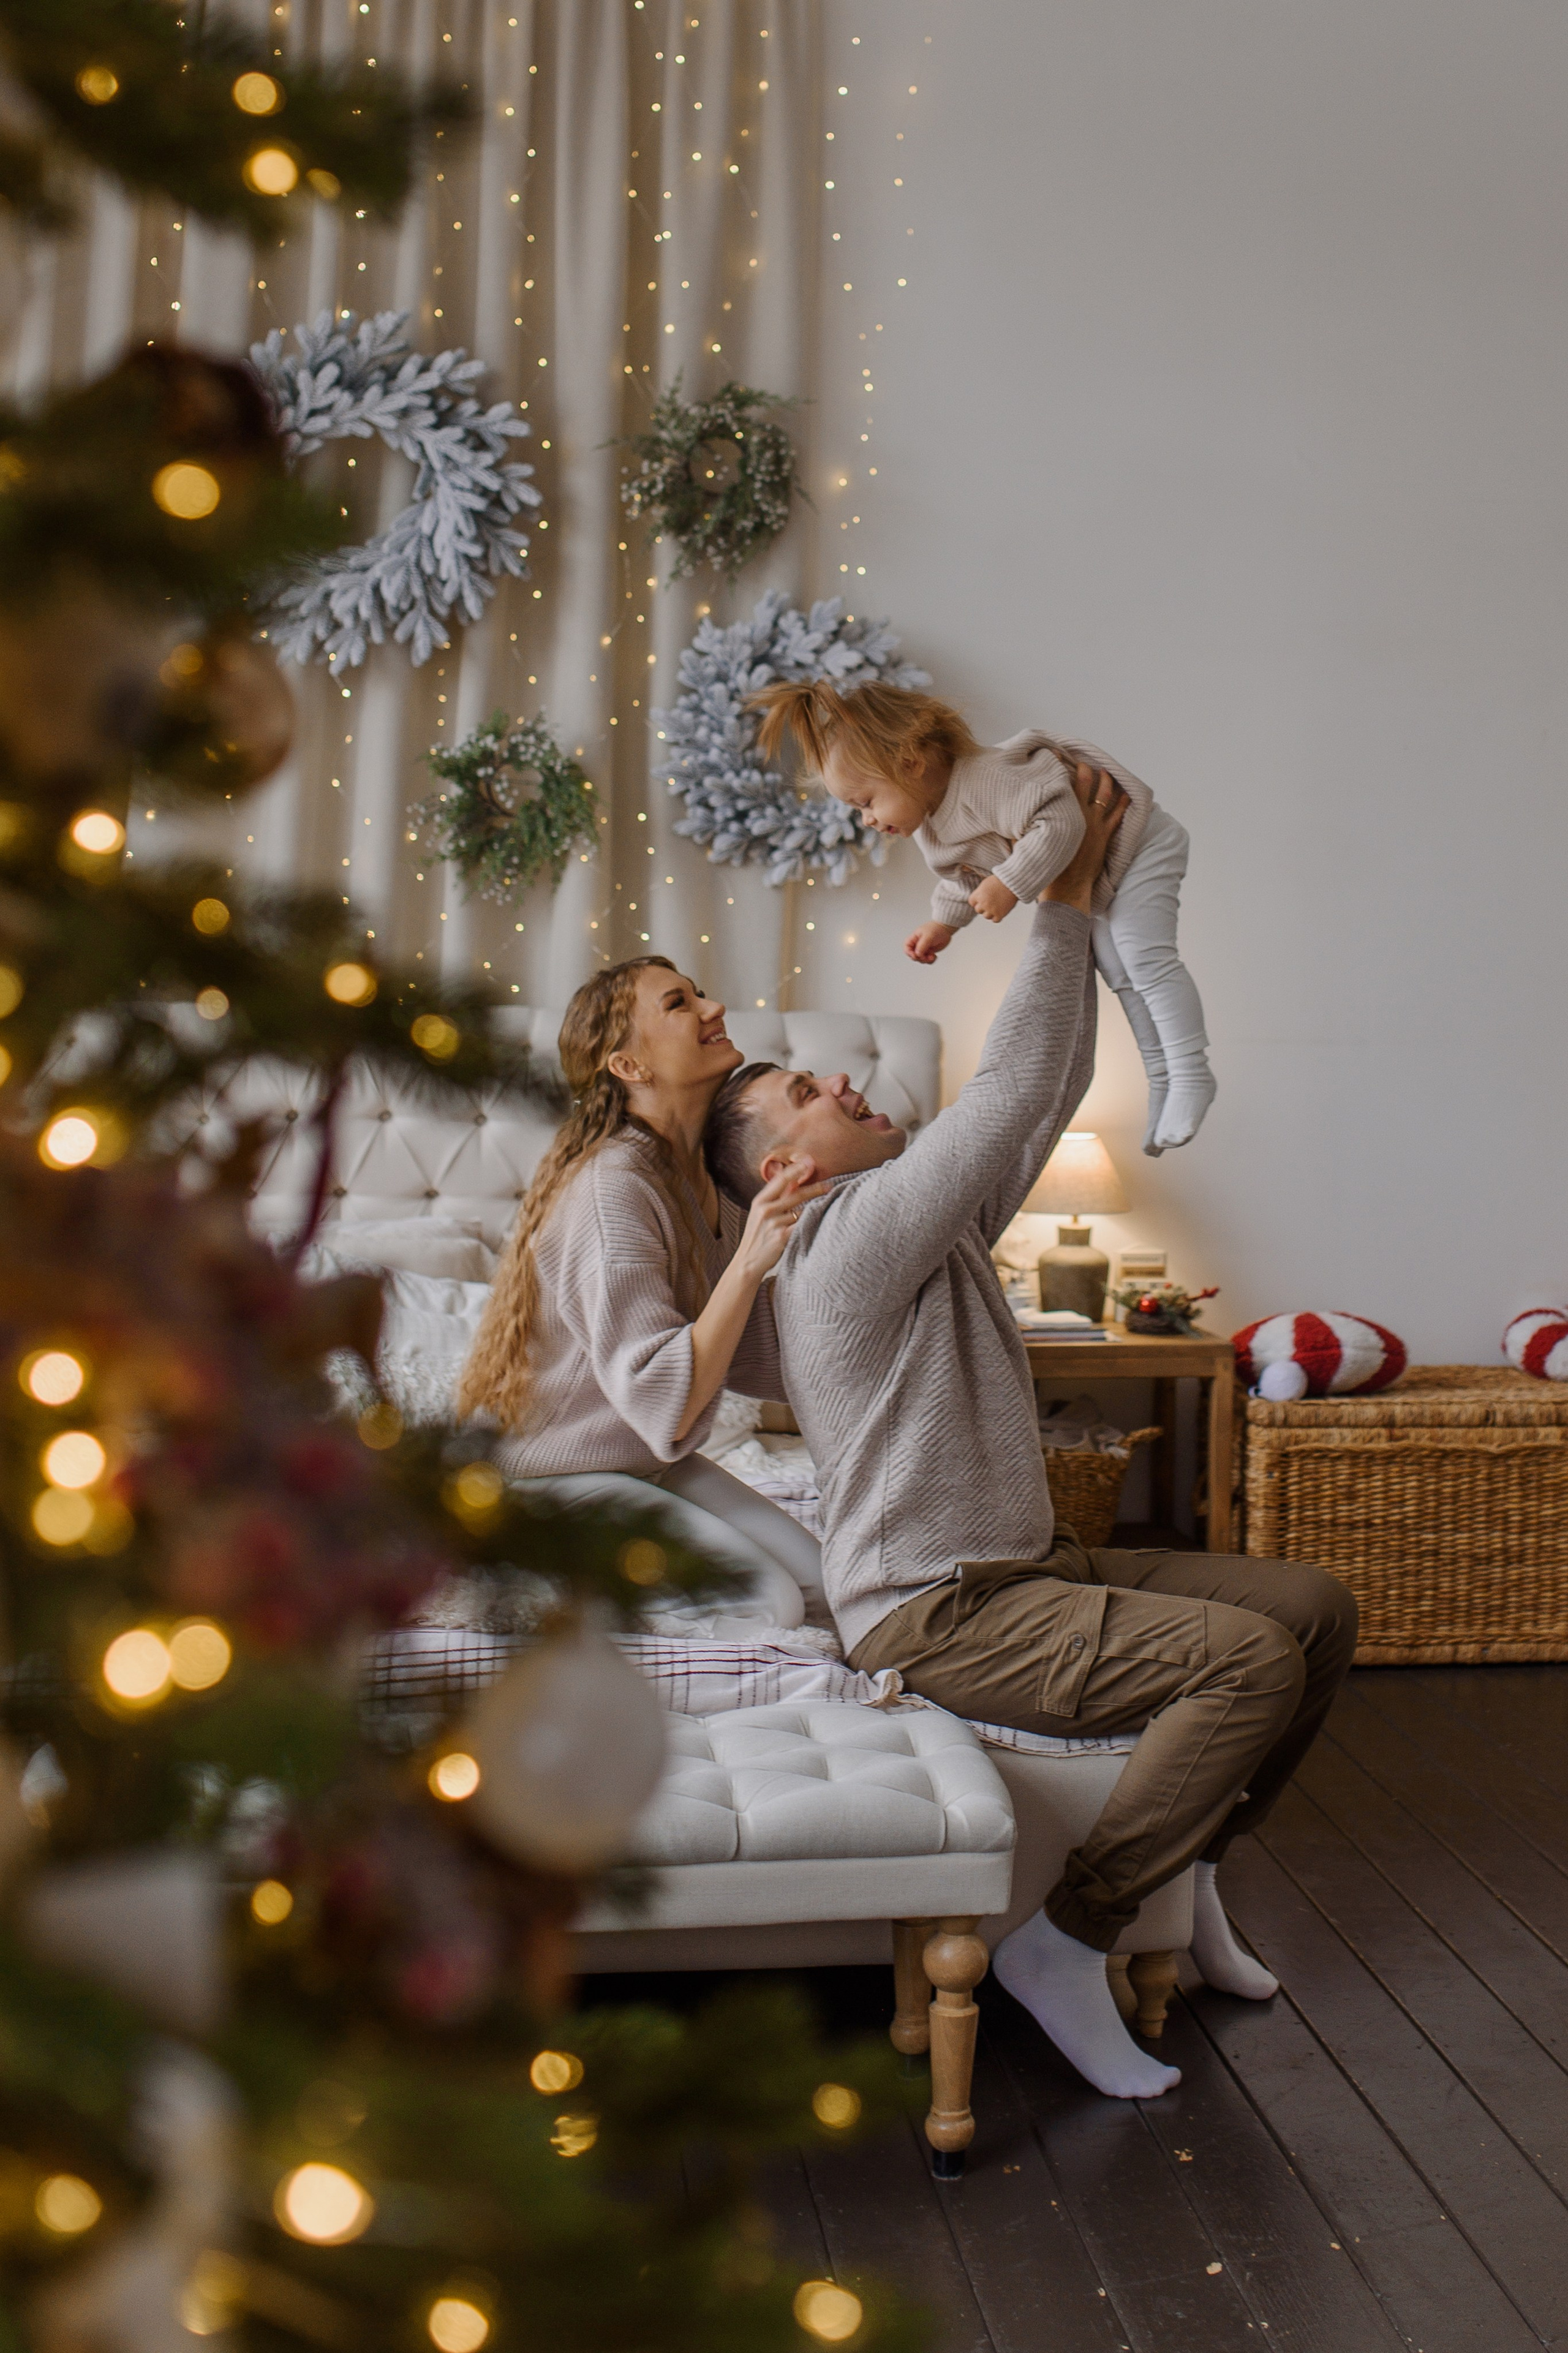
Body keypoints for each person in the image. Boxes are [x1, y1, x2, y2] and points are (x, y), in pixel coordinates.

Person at [703, 766, 1356, 2102]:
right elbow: (1003, 1093)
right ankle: (1068, 1936)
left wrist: (1074, 886)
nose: (835, 1077)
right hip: (934, 1613)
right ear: (784, 1169)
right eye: (800, 1091)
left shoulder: (912, 1224)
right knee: (1244, 1665)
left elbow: (1042, 1090)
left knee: (1312, 1606)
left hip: (1019, 1570)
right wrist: (1061, 893)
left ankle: (1193, 1870)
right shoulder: (842, 1240)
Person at [459, 955, 824, 1599]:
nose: (713, 1009)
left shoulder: (704, 1179)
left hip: (644, 1465)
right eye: (680, 1004)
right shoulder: (613, 1188)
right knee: (775, 1606)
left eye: (701, 993)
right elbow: (666, 1399)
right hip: (544, 1478)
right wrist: (749, 1264)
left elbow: (743, 1346)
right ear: (629, 1067)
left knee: (827, 1586)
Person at [753, 679, 1214, 1156]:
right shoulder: (932, 827)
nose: (867, 820)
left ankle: (1191, 1070)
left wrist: (1011, 882)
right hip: (1108, 879)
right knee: (1120, 972)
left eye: (866, 802)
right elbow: (964, 878)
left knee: (1145, 959)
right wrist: (943, 923)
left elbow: (1061, 822)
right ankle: (1163, 1079)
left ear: (910, 762)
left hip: (1142, 847)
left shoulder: (988, 777)